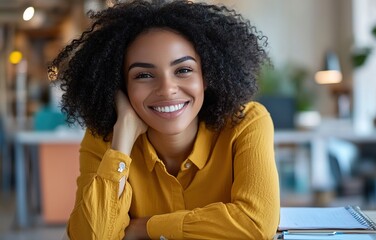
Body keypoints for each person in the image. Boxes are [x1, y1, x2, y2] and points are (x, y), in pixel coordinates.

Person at [49, 0, 279, 239]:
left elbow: (256, 224)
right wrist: (122, 144)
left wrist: (145, 228)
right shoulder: (106, 139)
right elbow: (89, 236)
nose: (167, 89)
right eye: (144, 75)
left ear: (206, 76)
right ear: (120, 86)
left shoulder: (246, 122)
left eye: (183, 70)